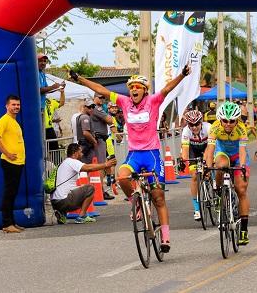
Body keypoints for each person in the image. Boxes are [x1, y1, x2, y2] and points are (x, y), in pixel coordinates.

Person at [69, 65, 192, 253]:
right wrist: (80, 79)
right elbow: (101, 90)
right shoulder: (124, 102)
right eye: (131, 87)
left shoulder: (153, 101)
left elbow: (167, 89)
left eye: (138, 87)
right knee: (122, 177)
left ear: (144, 90)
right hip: (134, 154)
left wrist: (182, 75)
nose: (134, 89)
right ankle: (137, 203)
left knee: (158, 197)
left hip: (151, 154)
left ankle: (165, 237)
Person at [205, 101, 251, 245]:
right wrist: (207, 167)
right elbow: (210, 150)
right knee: (220, 165)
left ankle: (243, 230)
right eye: (225, 120)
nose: (228, 124)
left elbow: (243, 151)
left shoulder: (241, 129)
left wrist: (242, 166)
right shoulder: (215, 128)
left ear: (237, 120)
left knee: (241, 190)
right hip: (222, 153)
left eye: (232, 121)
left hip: (238, 157)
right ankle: (219, 193)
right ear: (220, 119)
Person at [51, 143, 117, 224]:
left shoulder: (62, 163)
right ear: (75, 153)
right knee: (90, 188)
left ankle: (62, 214)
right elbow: (88, 168)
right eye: (80, 152)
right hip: (64, 201)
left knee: (78, 188)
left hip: (55, 202)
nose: (82, 154)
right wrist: (106, 164)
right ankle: (82, 216)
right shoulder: (73, 162)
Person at [0, 95, 26, 233]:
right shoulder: (4, 120)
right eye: (13, 105)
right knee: (9, 193)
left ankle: (11, 222)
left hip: (18, 162)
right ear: (7, 106)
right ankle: (6, 224)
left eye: (18, 104)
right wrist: (7, 153)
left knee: (13, 193)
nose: (16, 107)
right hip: (10, 162)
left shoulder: (14, 121)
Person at [179, 110, 211, 221]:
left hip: (208, 147)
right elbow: (185, 150)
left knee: (210, 167)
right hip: (194, 151)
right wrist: (183, 161)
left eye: (196, 124)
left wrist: (207, 162)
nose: (194, 127)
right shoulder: (186, 131)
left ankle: (217, 191)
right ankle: (197, 209)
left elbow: (210, 149)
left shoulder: (208, 128)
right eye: (191, 125)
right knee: (194, 177)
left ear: (201, 122)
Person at [91, 93, 116, 200]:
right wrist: (108, 116)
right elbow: (110, 120)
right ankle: (100, 190)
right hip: (99, 139)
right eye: (100, 97)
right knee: (101, 165)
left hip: (99, 139)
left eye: (103, 98)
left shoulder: (97, 108)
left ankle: (98, 189)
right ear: (95, 97)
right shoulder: (96, 108)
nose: (102, 100)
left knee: (102, 165)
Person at [76, 99, 97, 164]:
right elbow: (86, 133)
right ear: (84, 107)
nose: (91, 109)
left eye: (93, 107)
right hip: (86, 145)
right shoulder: (85, 117)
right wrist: (94, 142)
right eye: (89, 107)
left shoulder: (79, 117)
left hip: (84, 145)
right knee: (86, 167)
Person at [44, 87, 65, 151]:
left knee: (55, 150)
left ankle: (55, 160)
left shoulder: (50, 101)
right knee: (42, 150)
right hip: (39, 129)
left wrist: (62, 92)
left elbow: (61, 103)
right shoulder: (35, 101)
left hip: (49, 129)